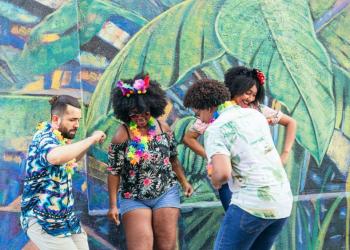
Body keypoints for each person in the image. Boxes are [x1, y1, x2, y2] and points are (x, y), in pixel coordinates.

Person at [183, 79, 293, 250]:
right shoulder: (255, 114)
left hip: (252, 205)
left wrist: (215, 177)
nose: (199, 118)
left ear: (208, 108)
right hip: (282, 203)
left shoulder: (215, 129)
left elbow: (224, 173)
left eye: (198, 113)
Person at [107, 74, 193, 250]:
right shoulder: (122, 134)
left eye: (145, 112)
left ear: (152, 108)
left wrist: (184, 182)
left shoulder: (163, 128)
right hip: (134, 197)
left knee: (166, 246)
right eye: (134, 113)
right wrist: (113, 205)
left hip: (165, 192)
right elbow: (114, 171)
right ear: (126, 112)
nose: (140, 117)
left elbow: (173, 159)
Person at [20, 95, 106, 250]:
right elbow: (55, 156)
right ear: (55, 119)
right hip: (43, 219)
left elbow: (70, 158)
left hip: (66, 219)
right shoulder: (44, 137)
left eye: (78, 120)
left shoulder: (61, 140)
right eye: (72, 120)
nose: (77, 125)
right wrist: (91, 140)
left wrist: (92, 139)